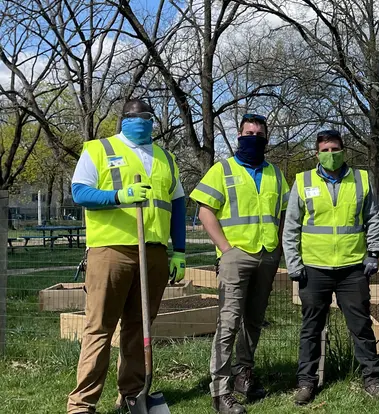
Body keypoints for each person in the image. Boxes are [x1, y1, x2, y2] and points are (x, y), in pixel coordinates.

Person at [67, 99, 185, 414]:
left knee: (140, 326)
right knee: (99, 327)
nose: (143, 122)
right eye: (137, 117)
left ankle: (132, 394)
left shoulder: (166, 158)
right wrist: (119, 196)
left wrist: (181, 251)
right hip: (111, 250)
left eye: (149, 116)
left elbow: (177, 206)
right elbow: (80, 192)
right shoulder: (98, 149)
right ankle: (82, 403)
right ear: (124, 119)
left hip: (154, 253)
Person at [190, 114, 288, 414]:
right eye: (249, 133)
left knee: (254, 321)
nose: (254, 138)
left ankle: (244, 375)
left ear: (267, 139)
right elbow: (205, 210)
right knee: (229, 322)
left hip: (267, 254)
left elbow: (283, 212)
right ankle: (220, 391)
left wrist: (279, 246)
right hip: (235, 256)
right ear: (238, 136)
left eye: (259, 134)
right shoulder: (223, 170)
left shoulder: (275, 174)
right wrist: (225, 248)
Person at [283, 129, 379, 405]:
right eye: (325, 150)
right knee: (311, 328)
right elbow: (291, 225)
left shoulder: (361, 179)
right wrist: (293, 263)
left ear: (344, 150)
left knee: (361, 325)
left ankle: (372, 379)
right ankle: (306, 382)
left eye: (335, 149)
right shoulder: (303, 181)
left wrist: (373, 253)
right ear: (317, 154)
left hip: (353, 268)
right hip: (313, 269)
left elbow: (374, 217)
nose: (331, 155)